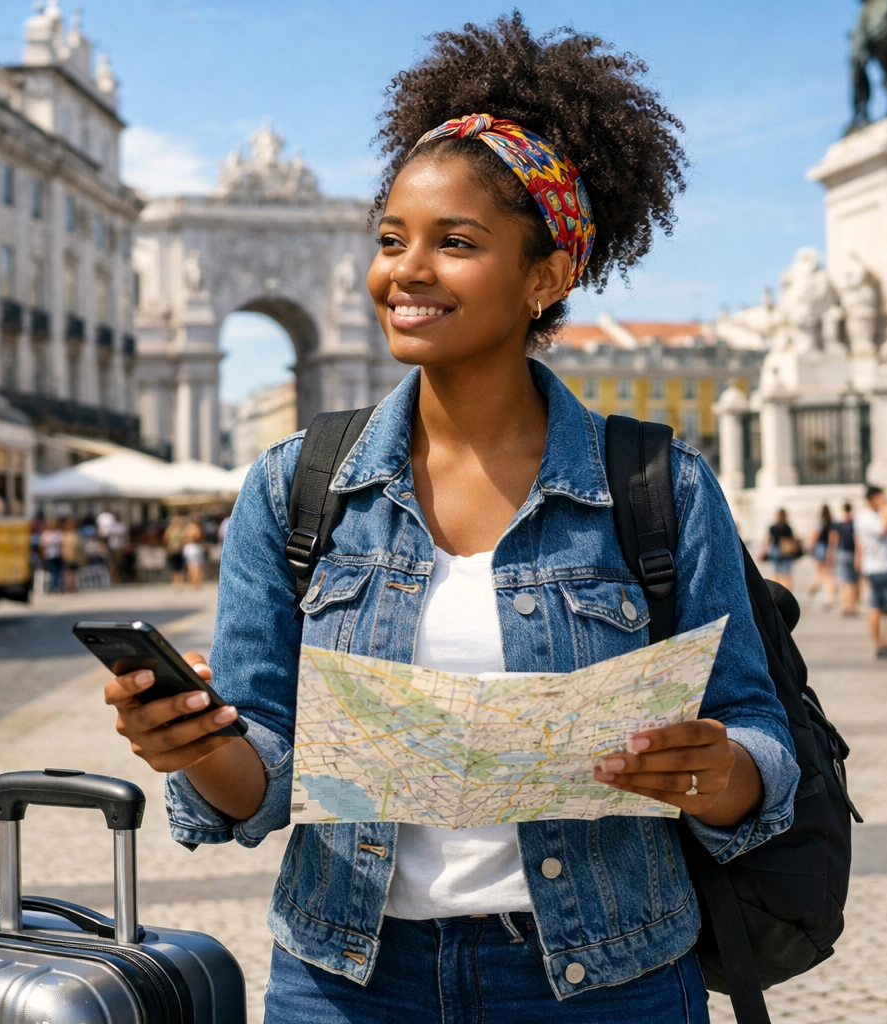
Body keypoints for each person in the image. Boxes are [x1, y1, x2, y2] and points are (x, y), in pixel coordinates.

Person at [103, 18, 798, 1019]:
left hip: (605, 980)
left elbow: (758, 741)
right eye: (391, 240)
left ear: (547, 277)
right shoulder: (295, 488)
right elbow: (261, 780)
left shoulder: (662, 486)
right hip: (347, 981)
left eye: (455, 243)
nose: (407, 270)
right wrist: (193, 742)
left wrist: (716, 770)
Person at [856, 486, 887, 658]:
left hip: (872, 567)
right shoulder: (869, 517)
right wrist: (884, 507)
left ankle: (880, 646)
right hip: (885, 567)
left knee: (876, 607)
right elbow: (885, 527)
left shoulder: (863, 517)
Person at [830, 502, 859, 616]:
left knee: (844, 582)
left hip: (842, 553)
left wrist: (831, 554)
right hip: (853, 554)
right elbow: (857, 540)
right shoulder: (855, 523)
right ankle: (852, 606)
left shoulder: (839, 523)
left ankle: (845, 605)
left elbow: (834, 540)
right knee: (852, 582)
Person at [765, 508, 798, 591]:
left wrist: (765, 551)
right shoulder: (787, 528)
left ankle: (775, 592)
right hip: (786, 551)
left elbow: (769, 540)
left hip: (775, 550)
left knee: (776, 573)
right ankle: (787, 592)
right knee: (786, 574)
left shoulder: (773, 527)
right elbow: (792, 540)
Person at [809, 505, 835, 609]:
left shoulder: (819, 522)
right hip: (828, 548)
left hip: (820, 548)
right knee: (828, 574)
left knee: (820, 572)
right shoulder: (831, 523)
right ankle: (829, 597)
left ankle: (815, 586)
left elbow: (814, 536)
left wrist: (811, 547)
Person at [38, 519, 64, 594]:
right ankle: (53, 586)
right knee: (52, 571)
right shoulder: (45, 533)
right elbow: (42, 545)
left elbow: (61, 543)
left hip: (57, 554)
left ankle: (57, 586)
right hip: (49, 555)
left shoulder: (58, 533)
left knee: (58, 571)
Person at [163, 515, 189, 585]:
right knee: (176, 567)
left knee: (175, 567)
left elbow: (165, 539)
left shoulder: (171, 529)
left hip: (175, 550)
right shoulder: (180, 530)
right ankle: (176, 582)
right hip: (176, 550)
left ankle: (176, 582)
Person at [182, 518, 206, 588]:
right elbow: (198, 537)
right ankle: (196, 583)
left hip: (187, 547)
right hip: (195, 547)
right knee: (196, 566)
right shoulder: (196, 528)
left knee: (190, 566)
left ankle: (191, 582)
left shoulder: (187, 528)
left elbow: (183, 538)